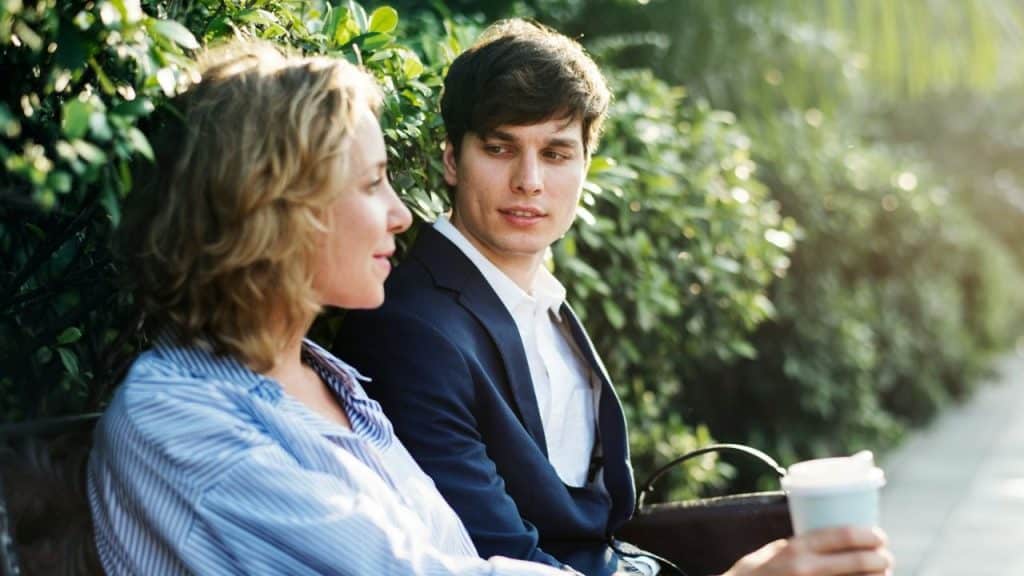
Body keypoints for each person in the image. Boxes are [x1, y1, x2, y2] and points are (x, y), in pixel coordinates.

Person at [334, 19, 893, 576]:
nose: (529, 181)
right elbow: (496, 560)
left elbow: (598, 523)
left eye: (555, 154)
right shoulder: (411, 331)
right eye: (501, 148)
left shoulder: (538, 298)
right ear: (452, 159)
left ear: (584, 165)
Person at [86, 40, 569, 576]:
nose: (401, 214)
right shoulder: (174, 416)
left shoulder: (327, 379)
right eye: (371, 183)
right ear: (271, 209)